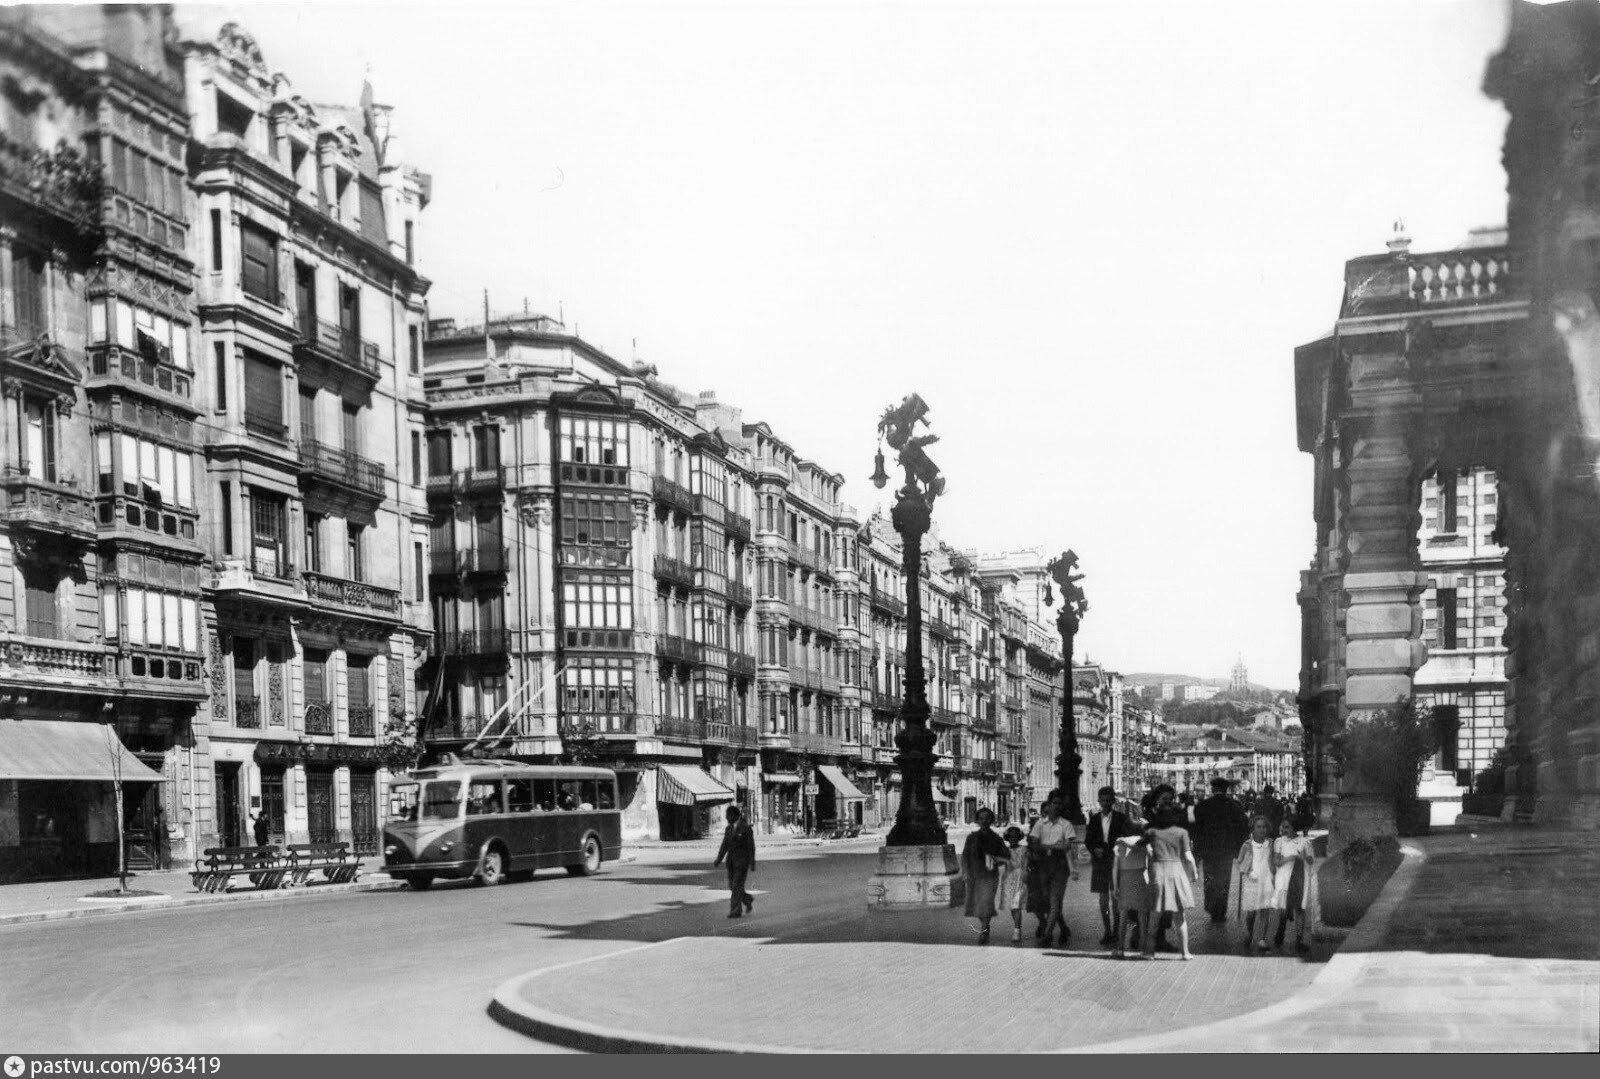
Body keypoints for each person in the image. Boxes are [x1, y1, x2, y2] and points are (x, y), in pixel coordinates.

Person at [1141, 804, 1199, 960]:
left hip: (1158, 873)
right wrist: (1194, 872)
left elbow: (1141, 844)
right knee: (1180, 917)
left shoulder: (1152, 832)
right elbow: (1188, 857)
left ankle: (1149, 952)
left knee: (1154, 917)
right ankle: (1185, 952)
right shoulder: (1182, 832)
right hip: (1176, 873)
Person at [1192, 777, 1251, 924]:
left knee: (1210, 880)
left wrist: (1197, 852)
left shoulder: (1203, 806)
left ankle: (1211, 909)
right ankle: (1220, 911)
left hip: (1209, 851)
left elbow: (1196, 830)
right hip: (1226, 851)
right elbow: (1243, 828)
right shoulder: (1234, 805)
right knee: (1224, 881)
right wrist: (1239, 850)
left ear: (1212, 789)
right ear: (1226, 790)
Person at [1084, 786, 1135, 946]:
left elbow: (1128, 836)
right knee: (1103, 900)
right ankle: (1107, 931)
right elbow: (1088, 839)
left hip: (1115, 861)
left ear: (1112, 801)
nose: (1105, 803)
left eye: (1108, 800)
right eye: (1103, 801)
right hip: (1100, 862)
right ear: (1099, 801)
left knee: (1115, 898)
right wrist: (1094, 849)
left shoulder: (1121, 818)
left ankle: (1116, 931)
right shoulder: (1094, 819)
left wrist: (1120, 849)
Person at [1028, 795, 1076, 947]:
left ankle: (1047, 934)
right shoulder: (1040, 824)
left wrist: (1046, 846)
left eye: (1059, 803)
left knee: (1055, 901)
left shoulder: (1066, 825)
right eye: (1054, 803)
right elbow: (1034, 845)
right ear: (1048, 804)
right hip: (1043, 864)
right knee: (1048, 900)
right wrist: (1054, 846)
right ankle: (1064, 928)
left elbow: (1068, 846)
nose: (1057, 806)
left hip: (1060, 864)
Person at [959, 808, 1010, 945]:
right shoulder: (971, 838)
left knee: (986, 902)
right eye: (981, 818)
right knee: (977, 904)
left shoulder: (996, 839)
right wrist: (965, 872)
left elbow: (1006, 856)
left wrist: (996, 859)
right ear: (977, 820)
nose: (984, 821)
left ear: (991, 820)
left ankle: (983, 931)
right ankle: (985, 926)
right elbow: (965, 856)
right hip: (974, 875)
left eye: (987, 818)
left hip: (989, 875)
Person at [1270, 814, 1316, 954]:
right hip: (1284, 878)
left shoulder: (1304, 842)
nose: (1284, 830)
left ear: (1294, 828)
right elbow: (1276, 861)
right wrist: (1290, 858)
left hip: (1299, 877)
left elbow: (1311, 860)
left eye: (1287, 827)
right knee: (1284, 906)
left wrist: (1303, 857)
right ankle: (1280, 932)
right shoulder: (1279, 842)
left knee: (1299, 908)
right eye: (1283, 827)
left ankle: (1299, 939)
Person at [1112, 806, 1153, 958]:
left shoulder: (1119, 843)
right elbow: (1150, 862)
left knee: (1123, 916)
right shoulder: (1144, 843)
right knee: (1142, 916)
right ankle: (1144, 949)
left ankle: (1120, 948)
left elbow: (1115, 867)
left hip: (1125, 879)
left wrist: (1115, 886)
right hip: (1141, 877)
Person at [1235, 814, 1278, 952]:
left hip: (1266, 880)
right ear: (1253, 829)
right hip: (1252, 881)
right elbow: (1239, 862)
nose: (1262, 830)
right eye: (1258, 827)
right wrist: (1245, 869)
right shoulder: (1247, 845)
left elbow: (1275, 859)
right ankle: (1250, 933)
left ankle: (1262, 940)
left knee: (1264, 911)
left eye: (1264, 827)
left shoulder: (1271, 843)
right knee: (1251, 914)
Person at [712, 805, 756, 918]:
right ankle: (747, 899)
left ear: (735, 816)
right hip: (731, 862)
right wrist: (718, 859)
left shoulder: (746, 828)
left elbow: (751, 847)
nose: (726, 817)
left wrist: (752, 862)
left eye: (728, 815)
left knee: (736, 885)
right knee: (732, 886)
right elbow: (724, 845)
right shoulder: (728, 829)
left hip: (742, 862)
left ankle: (735, 910)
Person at [998, 825, 1029, 944]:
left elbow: (1026, 863)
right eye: (1010, 837)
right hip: (1008, 879)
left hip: (1020, 878)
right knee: (1012, 906)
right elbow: (998, 861)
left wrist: (1025, 872)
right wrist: (1002, 859)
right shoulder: (1005, 851)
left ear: (1019, 837)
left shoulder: (1024, 849)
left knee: (1016, 905)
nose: (1013, 839)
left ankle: (1017, 931)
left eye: (1015, 837)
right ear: (1007, 838)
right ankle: (1017, 928)